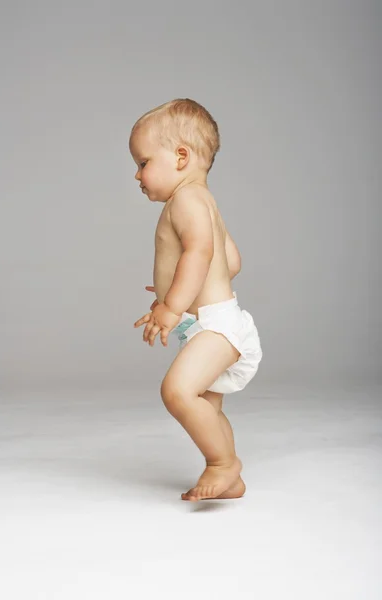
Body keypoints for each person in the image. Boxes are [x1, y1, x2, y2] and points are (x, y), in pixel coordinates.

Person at [131, 99, 263, 501]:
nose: (137, 174)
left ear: (181, 156)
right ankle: (231, 480)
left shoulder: (185, 201)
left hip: (217, 326)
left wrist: (172, 306)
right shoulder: (206, 202)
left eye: (143, 162)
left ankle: (223, 465)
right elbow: (231, 261)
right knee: (206, 404)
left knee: (177, 391)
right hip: (218, 319)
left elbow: (200, 254)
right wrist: (176, 285)